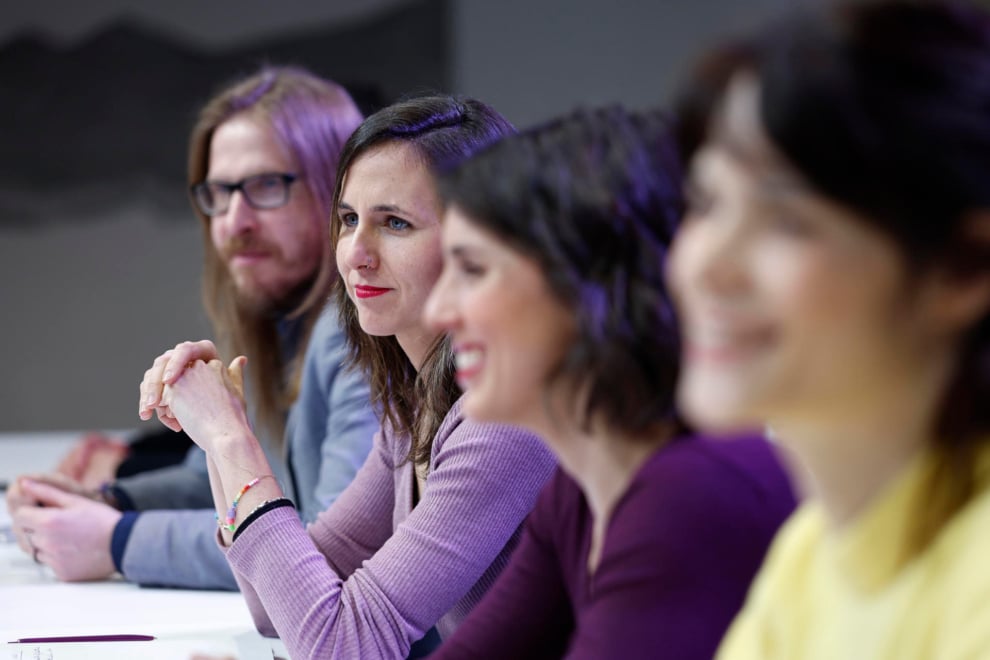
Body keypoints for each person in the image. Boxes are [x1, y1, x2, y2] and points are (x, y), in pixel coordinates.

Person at [138, 94, 558, 659]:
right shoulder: (414, 406)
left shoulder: (506, 414)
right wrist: (220, 435)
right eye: (349, 219)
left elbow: (345, 645)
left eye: (395, 223)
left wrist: (230, 441)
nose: (356, 253)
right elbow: (272, 607)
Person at [666, 1, 990, 658]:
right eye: (706, 203)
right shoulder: (811, 552)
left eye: (785, 218)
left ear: (964, 268)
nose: (706, 266)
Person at [419, 106, 796, 659]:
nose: (438, 312)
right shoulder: (580, 488)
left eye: (472, 270)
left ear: (584, 286)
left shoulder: (691, 492)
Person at [7, 66, 378, 590]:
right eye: (219, 193)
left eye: (266, 185)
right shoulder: (283, 321)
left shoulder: (358, 334)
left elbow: (317, 550)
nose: (233, 221)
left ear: (336, 189)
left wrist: (118, 540)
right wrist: (105, 502)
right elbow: (221, 483)